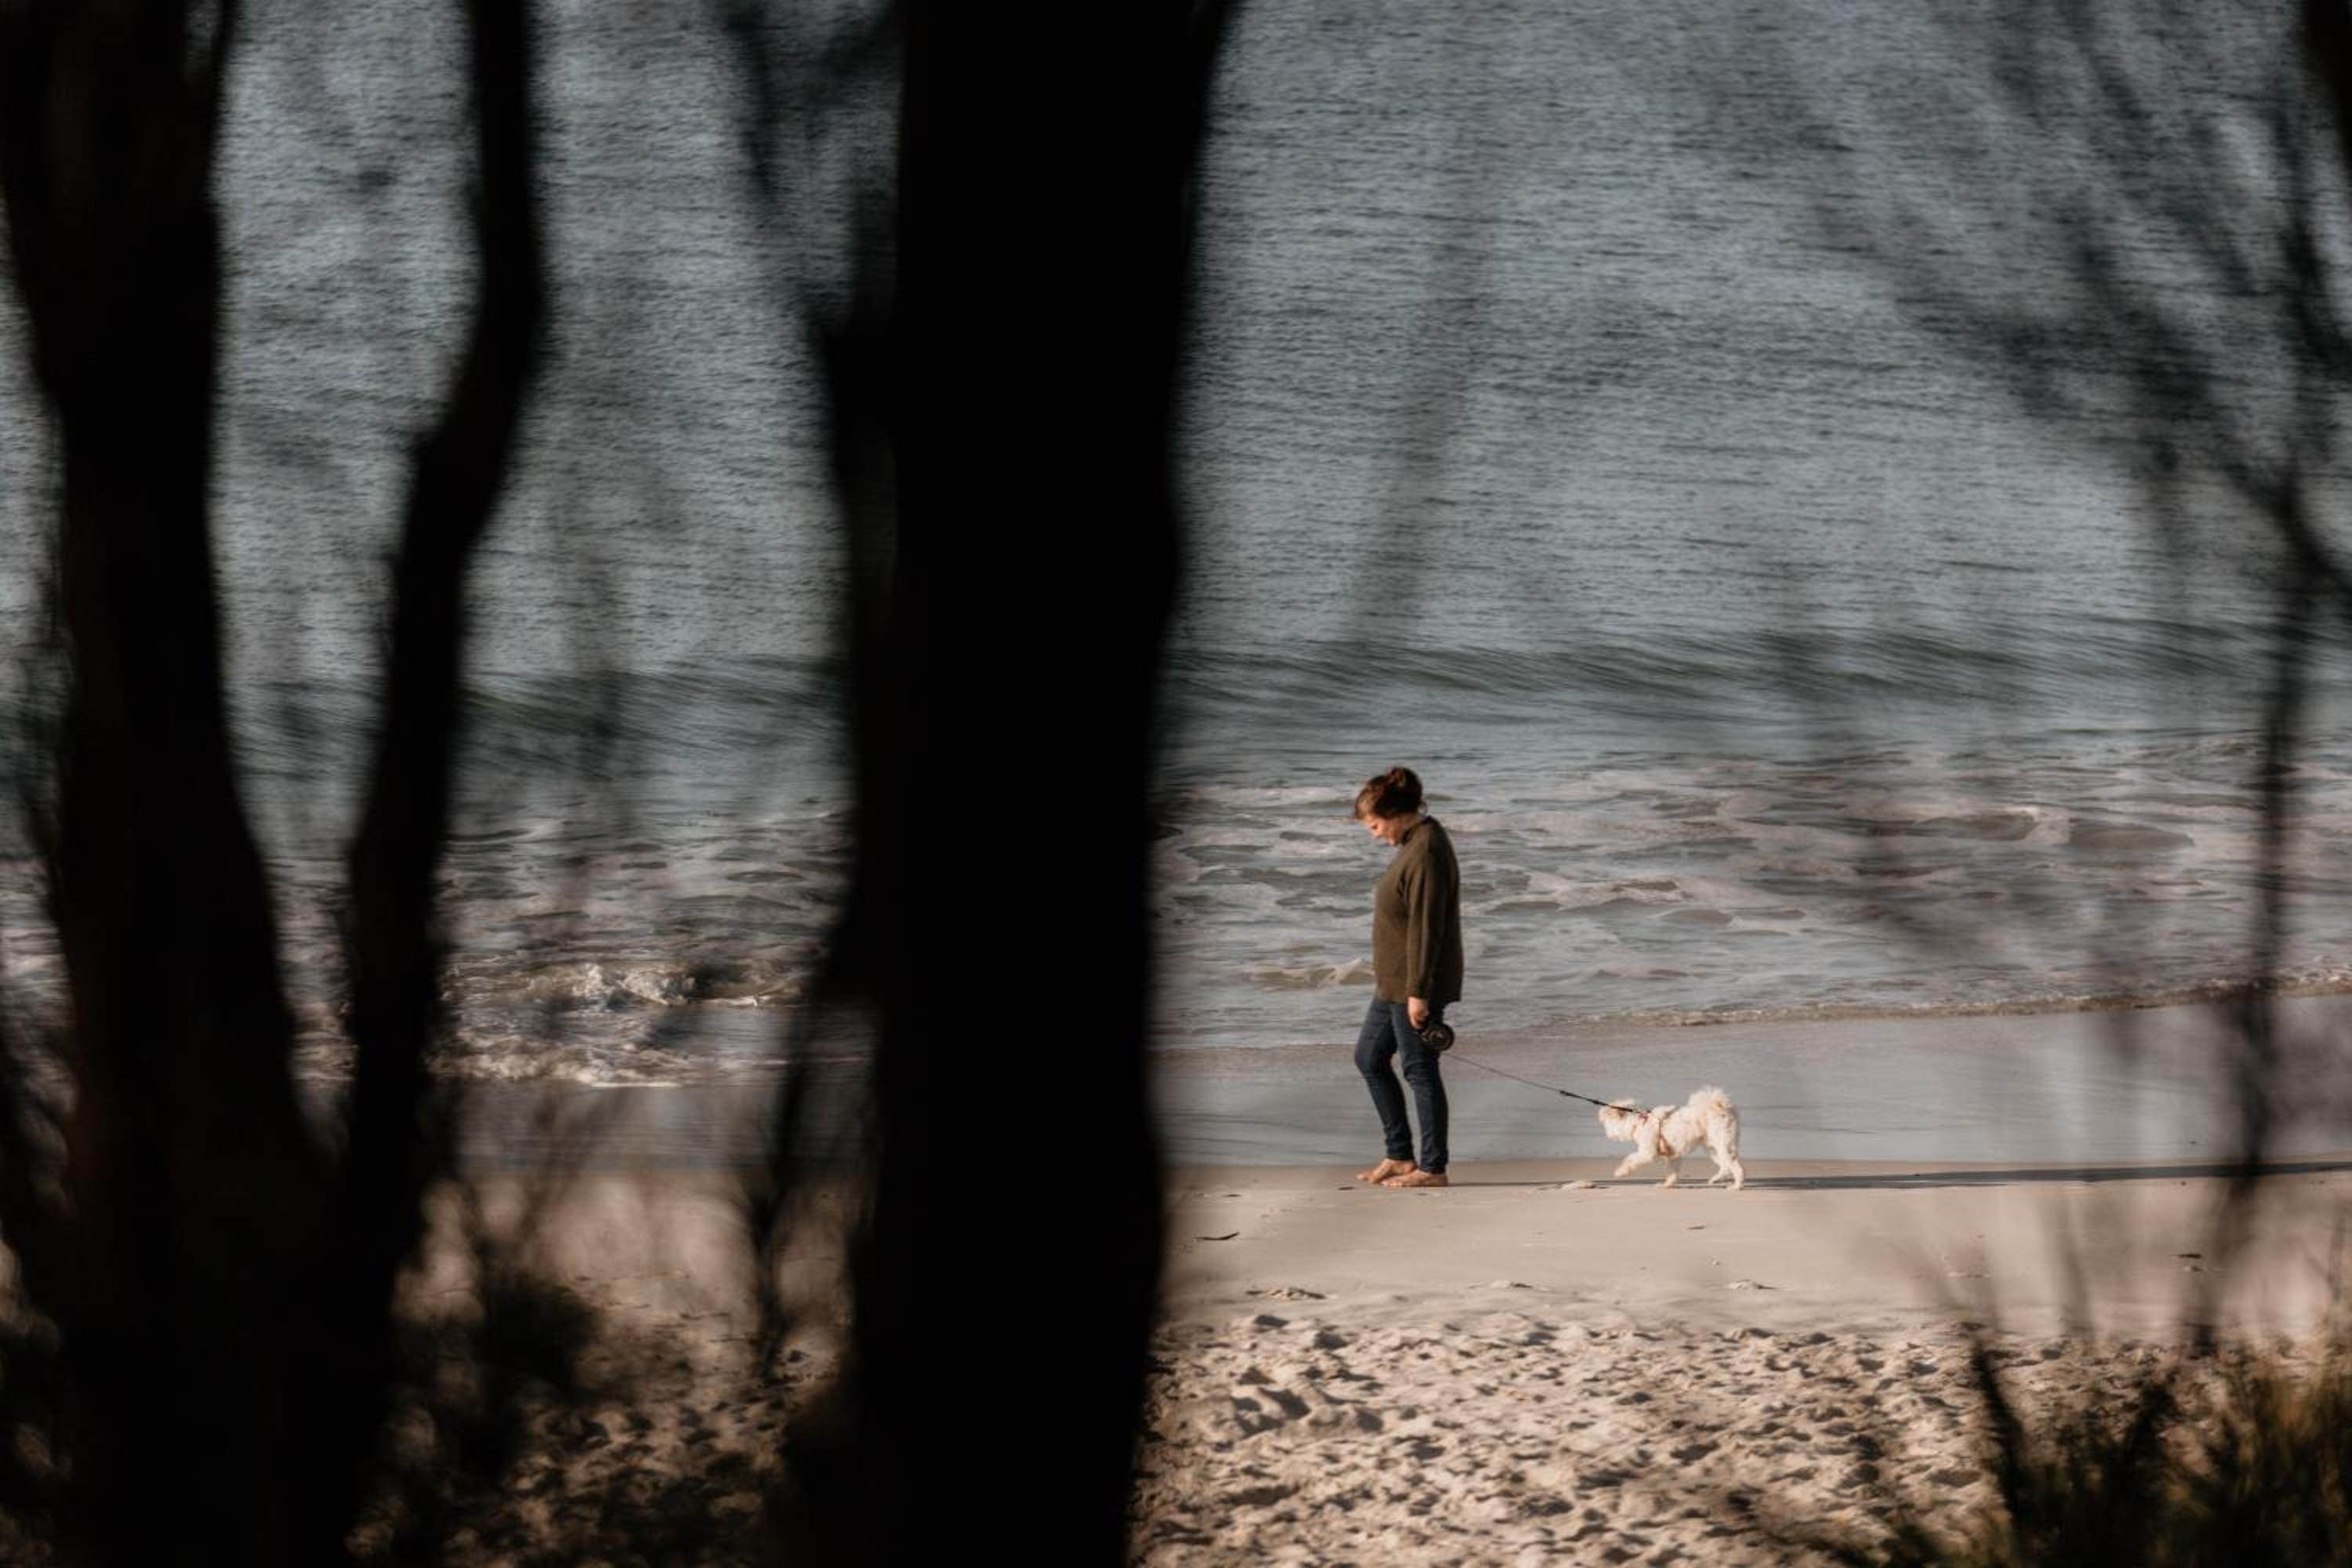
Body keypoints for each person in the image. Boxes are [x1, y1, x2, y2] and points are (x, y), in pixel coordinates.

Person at [1348, 766, 1464, 1189]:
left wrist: (1419, 992)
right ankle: (1399, 1155)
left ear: (1397, 814)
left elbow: (1428, 929)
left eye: (1375, 826)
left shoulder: (1427, 850)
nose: (1375, 835)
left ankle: (1433, 1167)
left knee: (1419, 1070)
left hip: (1413, 985)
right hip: (1394, 984)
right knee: (1369, 1058)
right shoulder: (1416, 842)